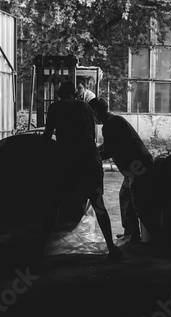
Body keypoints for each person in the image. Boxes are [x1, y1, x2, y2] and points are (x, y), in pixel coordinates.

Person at [36, 82, 121, 259]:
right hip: (90, 157)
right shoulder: (85, 106)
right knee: (98, 204)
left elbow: (47, 134)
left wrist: (35, 156)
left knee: (55, 204)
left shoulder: (55, 107)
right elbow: (90, 132)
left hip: (68, 159)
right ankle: (111, 248)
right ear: (75, 94)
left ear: (59, 94)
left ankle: (40, 251)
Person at [88, 97, 162, 244]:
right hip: (136, 167)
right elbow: (106, 146)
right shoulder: (113, 121)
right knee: (126, 196)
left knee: (139, 203)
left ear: (95, 112)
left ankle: (157, 239)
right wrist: (93, 152)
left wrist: (91, 159)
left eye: (91, 113)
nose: (91, 118)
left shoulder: (110, 124)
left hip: (138, 167)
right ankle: (131, 234)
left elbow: (108, 152)